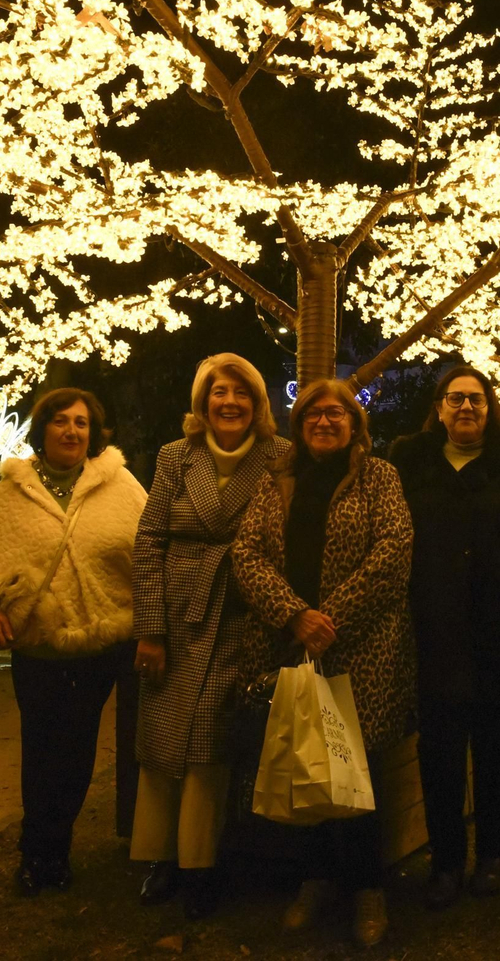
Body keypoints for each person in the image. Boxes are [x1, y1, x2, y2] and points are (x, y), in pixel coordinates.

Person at [232, 378, 415, 948]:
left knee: (357, 769)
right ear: (299, 424)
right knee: (304, 759)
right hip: (290, 644)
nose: (325, 422)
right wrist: (293, 616)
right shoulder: (278, 482)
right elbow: (246, 553)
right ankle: (313, 880)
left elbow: (394, 549)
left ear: (354, 424)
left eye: (336, 414)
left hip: (361, 647)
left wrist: (326, 619)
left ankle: (368, 889)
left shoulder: (378, 476)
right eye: (314, 415)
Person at [0, 388, 147, 896]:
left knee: (78, 751)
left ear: (94, 432)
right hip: (36, 647)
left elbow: (148, 553)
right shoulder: (12, 490)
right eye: (61, 421)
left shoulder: (121, 485)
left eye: (82, 423)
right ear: (42, 429)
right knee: (40, 751)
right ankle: (34, 853)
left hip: (97, 645)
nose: (71, 431)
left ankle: (56, 851)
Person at [129, 354, 291, 919]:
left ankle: (201, 863)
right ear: (202, 403)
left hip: (244, 616)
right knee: (163, 737)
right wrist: (151, 629)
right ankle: (158, 856)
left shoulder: (279, 457)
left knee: (211, 742)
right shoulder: (177, 457)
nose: (229, 402)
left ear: (257, 404)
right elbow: (149, 541)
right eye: (218, 392)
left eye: (241, 393)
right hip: (177, 616)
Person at [388, 366, 500, 909]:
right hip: (433, 630)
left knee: (498, 752)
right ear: (438, 408)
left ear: (490, 407)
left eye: (476, 400)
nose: (465, 408)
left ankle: (493, 858)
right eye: (455, 399)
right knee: (440, 756)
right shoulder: (408, 460)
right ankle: (447, 862)